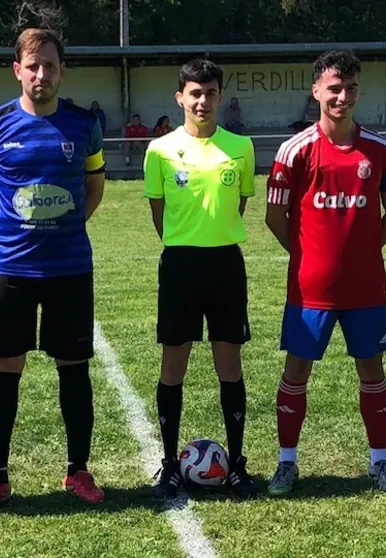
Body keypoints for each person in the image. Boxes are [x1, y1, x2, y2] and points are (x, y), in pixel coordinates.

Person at [0, 27, 107, 511]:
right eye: (33, 66)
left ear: (62, 70)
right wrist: (15, 233)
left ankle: (78, 470)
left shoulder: (85, 124)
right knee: (6, 369)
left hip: (69, 268)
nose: (41, 74)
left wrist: (62, 227)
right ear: (17, 70)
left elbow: (93, 187)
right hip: (11, 269)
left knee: (74, 369)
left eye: (49, 65)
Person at [264, 50, 386, 497]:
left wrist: (364, 250)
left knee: (372, 370)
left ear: (357, 92)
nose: (341, 97)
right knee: (296, 371)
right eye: (333, 89)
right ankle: (287, 462)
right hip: (310, 289)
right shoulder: (295, 150)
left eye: (349, 89)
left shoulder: (379, 150)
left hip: (365, 288)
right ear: (316, 91)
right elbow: (275, 216)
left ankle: (379, 461)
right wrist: (307, 255)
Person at [144, 58, 257, 500]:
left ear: (220, 96)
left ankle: (237, 464)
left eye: (210, 93)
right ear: (180, 98)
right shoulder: (160, 150)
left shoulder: (241, 147)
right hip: (180, 266)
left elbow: (240, 204)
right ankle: (170, 465)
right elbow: (160, 213)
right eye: (195, 93)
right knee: (174, 365)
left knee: (229, 365)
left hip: (226, 265)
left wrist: (214, 237)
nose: (203, 101)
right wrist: (185, 240)